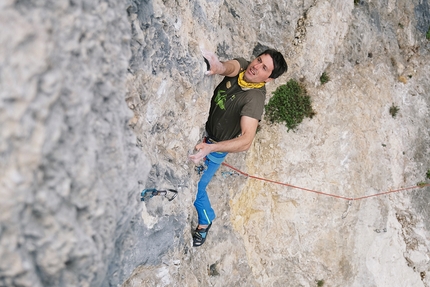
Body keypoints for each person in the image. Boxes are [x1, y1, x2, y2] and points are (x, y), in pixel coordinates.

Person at [189, 48, 288, 247]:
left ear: (268, 79)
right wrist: (218, 67)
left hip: (215, 148)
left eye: (264, 68)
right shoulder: (244, 68)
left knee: (197, 186)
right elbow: (231, 67)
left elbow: (246, 140)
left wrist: (211, 149)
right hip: (206, 131)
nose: (256, 67)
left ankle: (206, 218)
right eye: (259, 60)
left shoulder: (254, 100)